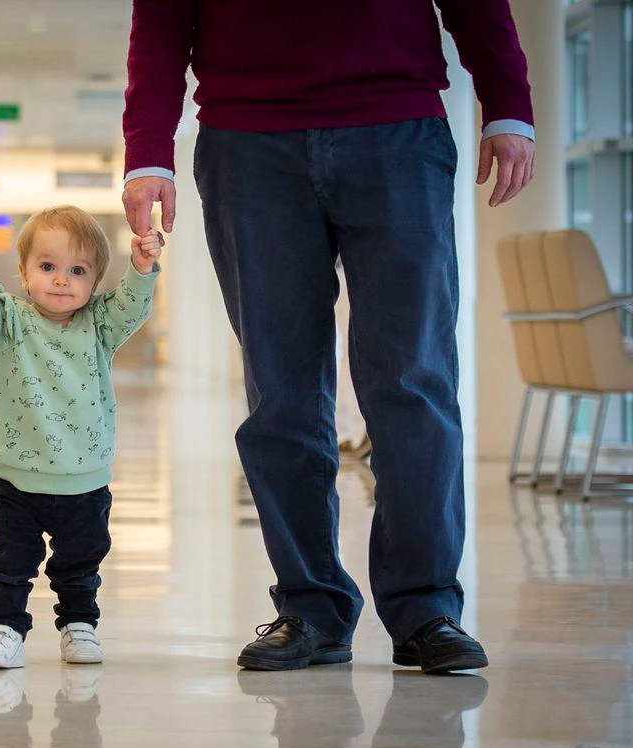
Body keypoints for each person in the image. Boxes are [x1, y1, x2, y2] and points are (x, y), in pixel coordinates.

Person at [122, 1, 536, 673]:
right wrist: (148, 151)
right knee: (281, 390)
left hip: (398, 126)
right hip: (247, 140)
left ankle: (426, 607)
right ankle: (310, 606)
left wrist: (508, 102)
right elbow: (161, 21)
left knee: (413, 379)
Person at [0, 206, 162, 669]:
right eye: (47, 267)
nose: (61, 280)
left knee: (80, 564)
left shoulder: (100, 325)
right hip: (17, 478)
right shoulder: (9, 321)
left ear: (96, 282)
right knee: (10, 562)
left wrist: (141, 269)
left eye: (77, 270)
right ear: (23, 273)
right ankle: (3, 628)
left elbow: (133, 307)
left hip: (83, 477)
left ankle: (79, 626)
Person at [334, 259, 371, 460]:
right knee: (352, 350)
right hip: (344, 270)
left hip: (347, 269)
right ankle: (354, 431)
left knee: (353, 350)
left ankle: (356, 430)